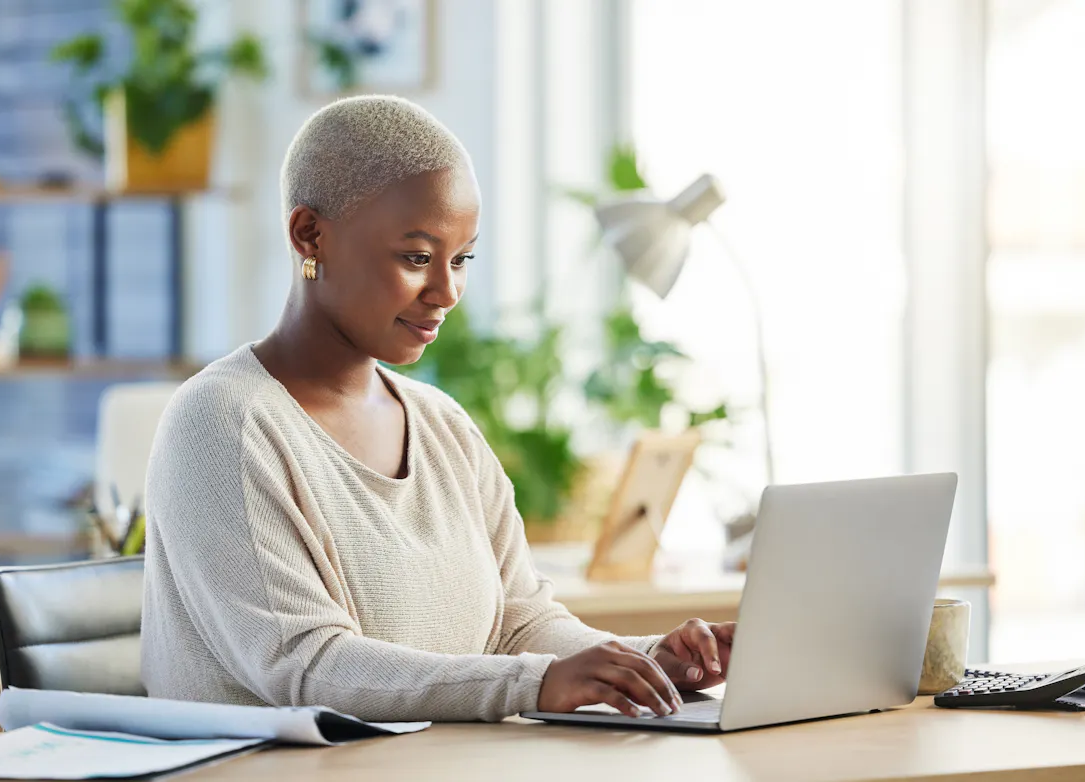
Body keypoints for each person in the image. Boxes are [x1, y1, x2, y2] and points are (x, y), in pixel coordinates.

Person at [140, 95, 735, 723]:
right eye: (417, 258)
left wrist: (649, 663)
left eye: (461, 259)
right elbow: (303, 664)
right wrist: (535, 683)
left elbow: (518, 624)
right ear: (310, 234)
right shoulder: (222, 424)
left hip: (439, 764)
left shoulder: (442, 425)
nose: (447, 292)